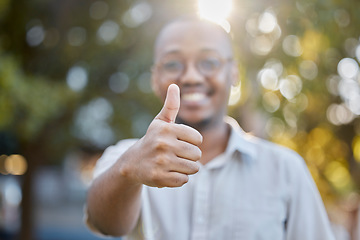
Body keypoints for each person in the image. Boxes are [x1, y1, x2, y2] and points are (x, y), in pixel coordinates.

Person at [85, 16, 335, 240]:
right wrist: (128, 170)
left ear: (234, 73)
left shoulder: (286, 169)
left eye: (209, 61)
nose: (192, 77)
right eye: (173, 63)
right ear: (154, 77)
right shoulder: (126, 157)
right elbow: (104, 223)